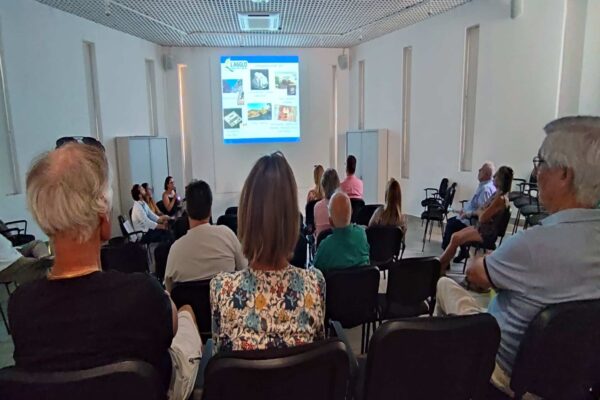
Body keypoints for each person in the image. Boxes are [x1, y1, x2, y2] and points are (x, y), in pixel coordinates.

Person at [8, 142, 202, 400]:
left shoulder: (21, 307)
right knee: (186, 316)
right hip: (152, 388)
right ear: (103, 221)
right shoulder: (142, 293)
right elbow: (171, 327)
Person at [434, 116, 600, 397]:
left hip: (504, 375)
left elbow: (476, 276)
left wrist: (485, 262)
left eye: (541, 162)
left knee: (444, 286)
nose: (536, 173)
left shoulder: (534, 244)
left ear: (564, 175)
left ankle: (451, 380)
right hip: (575, 379)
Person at [210, 152, 325, 352]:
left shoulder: (222, 290)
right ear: (292, 219)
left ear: (246, 216)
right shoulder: (314, 286)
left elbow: (220, 367)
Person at [164, 180, 247, 292]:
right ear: (210, 207)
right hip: (226, 308)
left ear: (187, 209)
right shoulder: (228, 236)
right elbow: (245, 270)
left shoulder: (175, 250)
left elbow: (169, 290)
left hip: (190, 308)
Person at [439, 166, 514, 272]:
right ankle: (441, 265)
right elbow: (482, 209)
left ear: (500, 179)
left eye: (496, 175)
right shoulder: (497, 194)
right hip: (481, 228)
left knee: (455, 238)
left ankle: (440, 267)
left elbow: (483, 217)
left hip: (486, 233)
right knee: (455, 236)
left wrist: (480, 212)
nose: (493, 177)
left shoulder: (500, 199)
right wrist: (480, 211)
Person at [442, 161, 496, 262]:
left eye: (481, 170)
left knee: (450, 225)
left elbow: (482, 211)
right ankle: (463, 252)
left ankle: (445, 259)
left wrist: (467, 214)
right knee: (453, 222)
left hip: (472, 222)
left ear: (486, 174)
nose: (479, 171)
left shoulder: (486, 189)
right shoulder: (484, 186)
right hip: (467, 217)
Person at [314, 191, 370, 273]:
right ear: (351, 213)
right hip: (363, 284)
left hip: (334, 286)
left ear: (330, 221)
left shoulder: (325, 246)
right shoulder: (362, 235)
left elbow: (315, 273)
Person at [314, 168, 340, 238]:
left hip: (321, 247)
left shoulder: (317, 207)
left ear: (322, 185)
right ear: (338, 184)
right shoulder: (341, 206)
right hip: (338, 246)